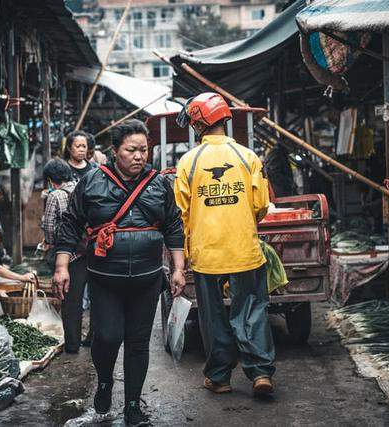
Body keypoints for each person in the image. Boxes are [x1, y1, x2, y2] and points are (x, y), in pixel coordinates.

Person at [53, 119, 185, 426]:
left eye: (144, 149)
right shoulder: (93, 181)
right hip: (104, 279)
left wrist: (178, 268)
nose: (140, 156)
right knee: (108, 336)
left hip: (147, 278)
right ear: (115, 151)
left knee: (138, 343)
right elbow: (71, 223)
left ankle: (133, 406)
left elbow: (174, 225)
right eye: (131, 150)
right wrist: (61, 266)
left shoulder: (157, 184)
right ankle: (104, 382)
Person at [174, 92, 276, 397]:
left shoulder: (188, 162)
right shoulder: (248, 157)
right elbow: (261, 205)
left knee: (213, 316)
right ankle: (260, 374)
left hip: (206, 255)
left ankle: (219, 377)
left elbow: (182, 212)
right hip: (244, 250)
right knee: (252, 310)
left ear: (198, 123)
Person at [41, 158, 88, 353]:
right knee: (96, 297)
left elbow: (50, 228)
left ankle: (72, 344)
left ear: (51, 179)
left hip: (69, 256)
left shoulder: (56, 195)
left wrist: (50, 244)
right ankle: (93, 338)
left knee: (71, 301)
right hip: (91, 250)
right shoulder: (83, 188)